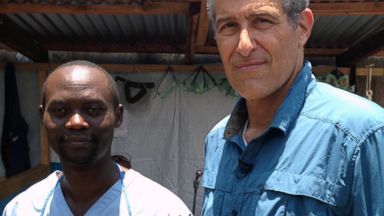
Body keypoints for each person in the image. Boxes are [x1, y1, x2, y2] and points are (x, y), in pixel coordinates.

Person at [201, 0, 384, 215]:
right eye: (228, 26)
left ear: (302, 28)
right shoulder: (218, 141)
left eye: (262, 21)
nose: (244, 45)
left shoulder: (361, 135)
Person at [2, 60, 192, 216]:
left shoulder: (161, 209)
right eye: (60, 111)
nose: (76, 122)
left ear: (118, 116)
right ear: (43, 117)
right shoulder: (22, 209)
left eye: (93, 110)